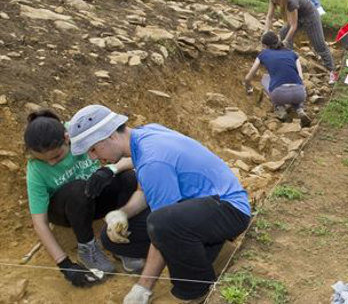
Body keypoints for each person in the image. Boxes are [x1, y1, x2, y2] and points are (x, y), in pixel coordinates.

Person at [68, 105, 251, 303]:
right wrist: (121, 214)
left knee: (161, 224)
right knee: (109, 237)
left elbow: (162, 229)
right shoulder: (144, 136)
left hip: (228, 208)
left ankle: (196, 290)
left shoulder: (152, 160)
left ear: (111, 135)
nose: (93, 157)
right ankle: (215, 251)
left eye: (94, 149)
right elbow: (144, 191)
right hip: (200, 207)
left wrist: (143, 287)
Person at [24, 110, 149, 287]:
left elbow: (136, 158)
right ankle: (87, 247)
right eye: (44, 160)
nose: (51, 164)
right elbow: (40, 222)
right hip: (67, 210)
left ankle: (121, 240)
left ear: (67, 138)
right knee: (78, 188)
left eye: (56, 157)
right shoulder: (35, 170)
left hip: (94, 195)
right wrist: (64, 265)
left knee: (128, 178)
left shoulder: (80, 132)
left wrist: (110, 170)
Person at [265, 0, 337, 84]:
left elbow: (293, 25)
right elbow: (269, 17)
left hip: (310, 16)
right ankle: (288, 63)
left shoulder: (291, 1)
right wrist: (265, 32)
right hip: (298, 17)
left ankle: (332, 71)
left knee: (319, 45)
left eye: (277, 2)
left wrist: (286, 41)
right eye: (273, 1)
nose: (275, 3)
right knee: (283, 33)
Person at [243, 31, 310, 125]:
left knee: (265, 79)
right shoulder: (293, 54)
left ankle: (280, 110)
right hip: (300, 93)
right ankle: (299, 110)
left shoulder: (263, 54)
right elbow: (301, 78)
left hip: (279, 95)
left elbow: (248, 78)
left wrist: (249, 89)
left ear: (265, 45)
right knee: (295, 86)